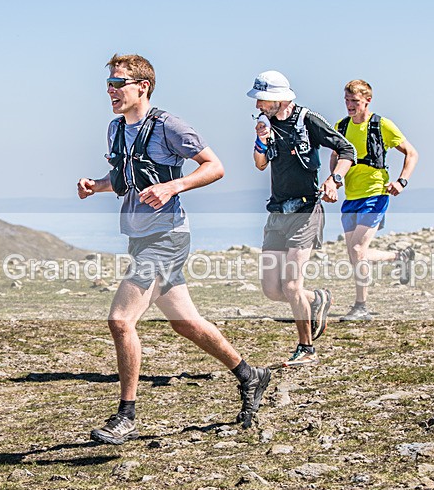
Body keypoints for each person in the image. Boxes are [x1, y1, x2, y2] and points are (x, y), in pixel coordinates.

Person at [78, 54, 271, 444]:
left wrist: (173, 186)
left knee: (120, 320)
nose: (111, 92)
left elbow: (214, 166)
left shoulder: (169, 126)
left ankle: (126, 416)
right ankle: (250, 374)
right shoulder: (115, 130)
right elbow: (125, 180)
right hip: (139, 236)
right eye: (109, 85)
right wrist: (94, 185)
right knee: (185, 323)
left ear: (142, 86)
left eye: (119, 84)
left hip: (168, 236)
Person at [248, 70, 356, 366]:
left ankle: (306, 349)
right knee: (272, 289)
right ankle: (317, 299)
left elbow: (347, 149)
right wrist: (261, 140)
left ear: (280, 98)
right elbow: (260, 164)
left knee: (292, 286)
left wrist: (334, 180)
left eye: (263, 99)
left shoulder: (308, 120)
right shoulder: (265, 124)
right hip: (277, 212)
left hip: (306, 211)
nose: (258, 104)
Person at [331, 79, 419, 321]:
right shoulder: (341, 126)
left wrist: (401, 181)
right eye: (347, 100)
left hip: (376, 194)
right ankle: (401, 257)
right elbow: (336, 156)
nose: (350, 105)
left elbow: (412, 153)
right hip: (351, 196)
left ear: (367, 100)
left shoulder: (382, 125)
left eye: (355, 101)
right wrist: (334, 182)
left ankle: (361, 307)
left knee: (358, 249)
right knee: (356, 254)